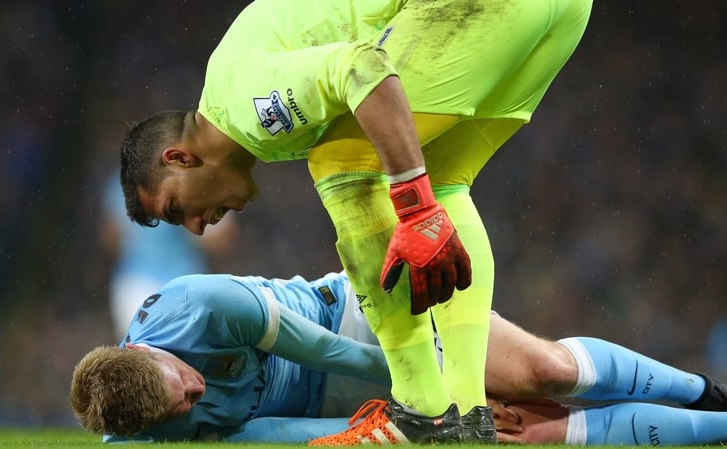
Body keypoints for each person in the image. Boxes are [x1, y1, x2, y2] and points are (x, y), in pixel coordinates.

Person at [118, 1, 593, 443]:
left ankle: (420, 411)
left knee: (341, 162)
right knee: (444, 180)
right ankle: (468, 416)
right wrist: (427, 199)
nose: (197, 228)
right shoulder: (244, 101)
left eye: (176, 209)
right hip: (558, 13)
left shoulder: (247, 106)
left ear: (179, 158)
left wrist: (415, 205)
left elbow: (362, 67)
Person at [70, 271, 727, 445]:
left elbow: (327, 349)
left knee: (546, 373)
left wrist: (440, 387)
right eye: (184, 404)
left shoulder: (201, 306)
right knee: (520, 431)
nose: (195, 389)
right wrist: (422, 427)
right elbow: (272, 434)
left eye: (181, 377)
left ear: (146, 350)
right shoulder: (152, 422)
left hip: (361, 321)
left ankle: (705, 391)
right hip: (339, 402)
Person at [100, 171, 237, 338]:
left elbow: (221, 240)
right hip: (143, 282)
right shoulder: (124, 183)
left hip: (180, 283)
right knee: (149, 353)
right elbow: (112, 238)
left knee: (167, 352)